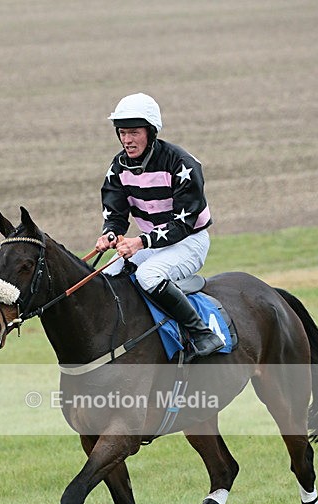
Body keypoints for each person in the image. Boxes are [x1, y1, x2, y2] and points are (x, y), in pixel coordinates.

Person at [95, 92, 224, 358]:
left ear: (151, 132)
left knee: (147, 276)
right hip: (152, 243)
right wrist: (110, 233)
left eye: (134, 133)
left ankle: (202, 334)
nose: (127, 140)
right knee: (106, 275)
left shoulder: (182, 164)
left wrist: (140, 242)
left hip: (189, 242)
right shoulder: (118, 167)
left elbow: (183, 224)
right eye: (122, 133)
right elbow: (116, 214)